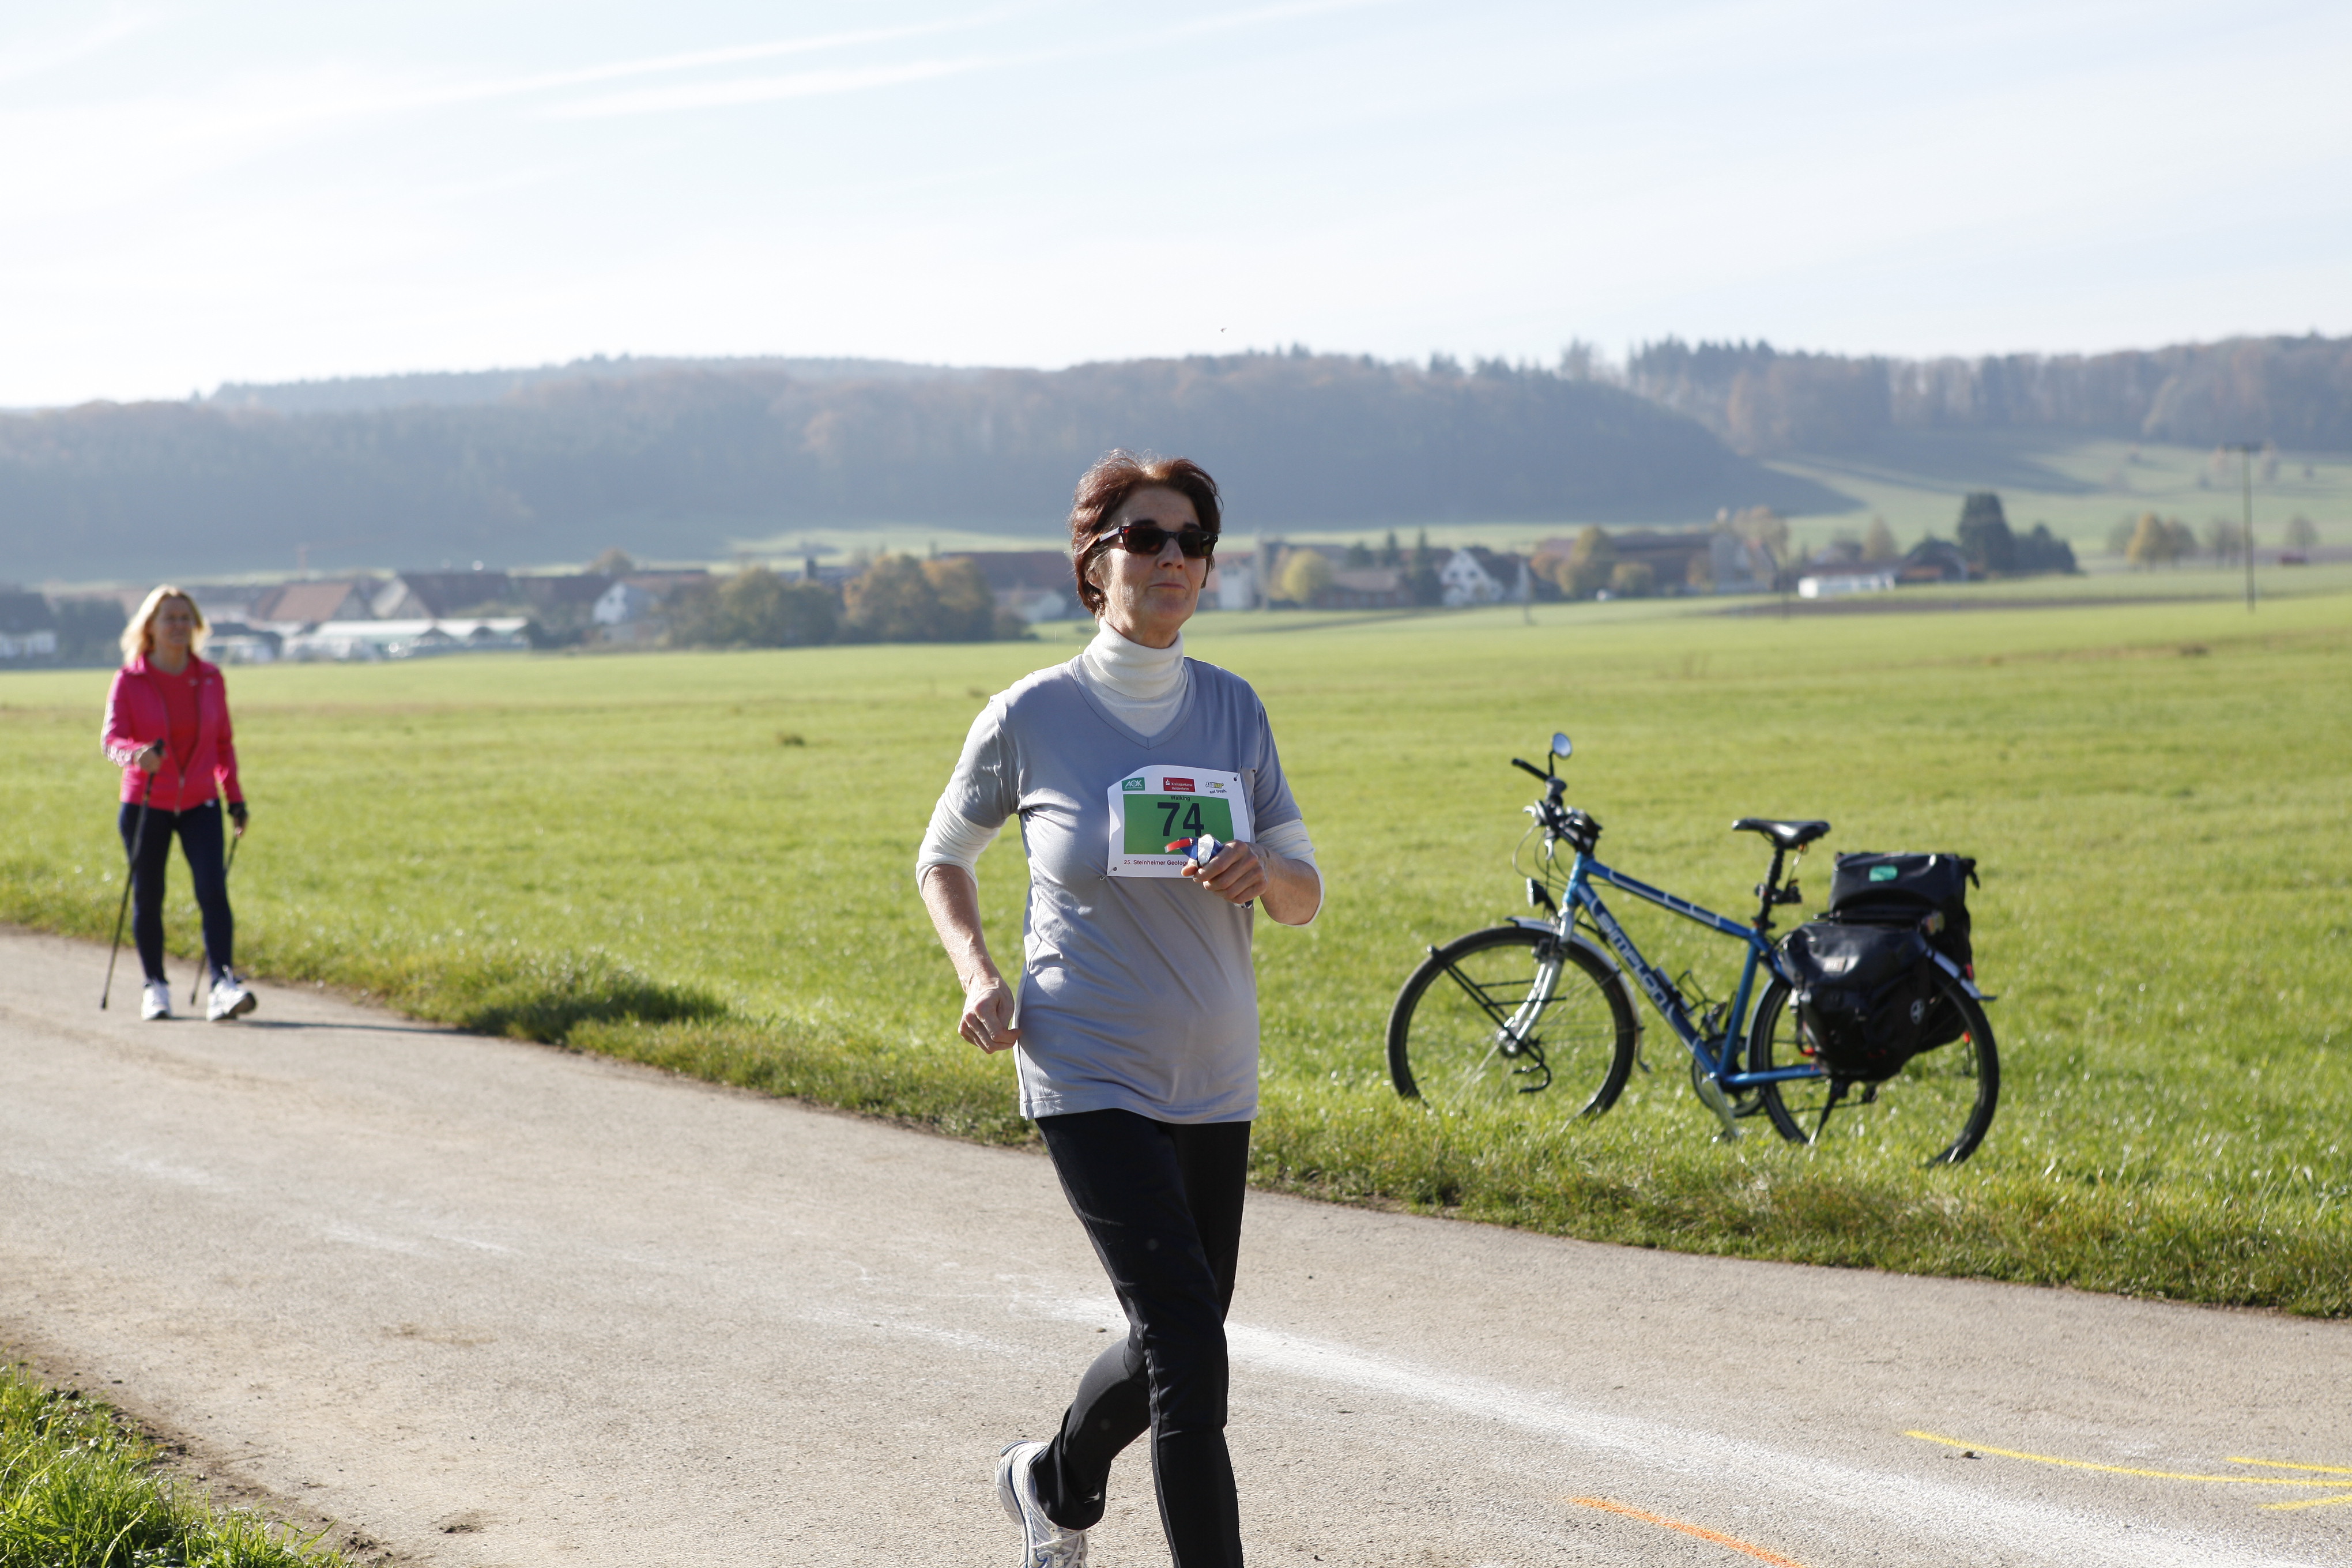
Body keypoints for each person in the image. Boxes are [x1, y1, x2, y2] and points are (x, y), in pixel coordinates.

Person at [918, 452, 1322, 1567]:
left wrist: (1264, 875)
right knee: (1189, 1345)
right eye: (1146, 538)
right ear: (1095, 564)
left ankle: (1050, 1481)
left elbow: (1304, 895)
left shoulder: (1235, 710)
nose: (1173, 558)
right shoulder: (1032, 715)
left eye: (1193, 542)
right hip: (1086, 1063)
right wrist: (979, 975)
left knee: (1175, 1333)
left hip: (1214, 1073)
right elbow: (943, 858)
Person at [101, 586, 255, 1023]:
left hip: (200, 803)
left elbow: (223, 743)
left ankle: (222, 985)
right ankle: (156, 987)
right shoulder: (130, 679)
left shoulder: (210, 678)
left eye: (186, 618)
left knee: (213, 891)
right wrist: (136, 754)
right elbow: (110, 740)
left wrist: (235, 798)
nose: (179, 626)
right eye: (169, 618)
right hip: (146, 802)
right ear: (149, 627)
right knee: (149, 896)